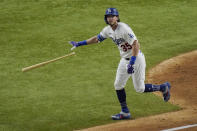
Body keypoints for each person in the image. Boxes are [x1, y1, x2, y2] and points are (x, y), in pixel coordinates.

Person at [68, 8, 171, 120]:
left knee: (139, 88)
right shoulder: (108, 30)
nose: (110, 18)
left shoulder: (124, 29)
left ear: (117, 17)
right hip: (124, 60)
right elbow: (97, 39)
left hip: (136, 59)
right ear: (106, 18)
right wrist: (79, 44)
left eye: (112, 16)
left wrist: (132, 62)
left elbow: (136, 44)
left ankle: (163, 87)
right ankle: (125, 112)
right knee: (118, 85)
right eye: (108, 16)